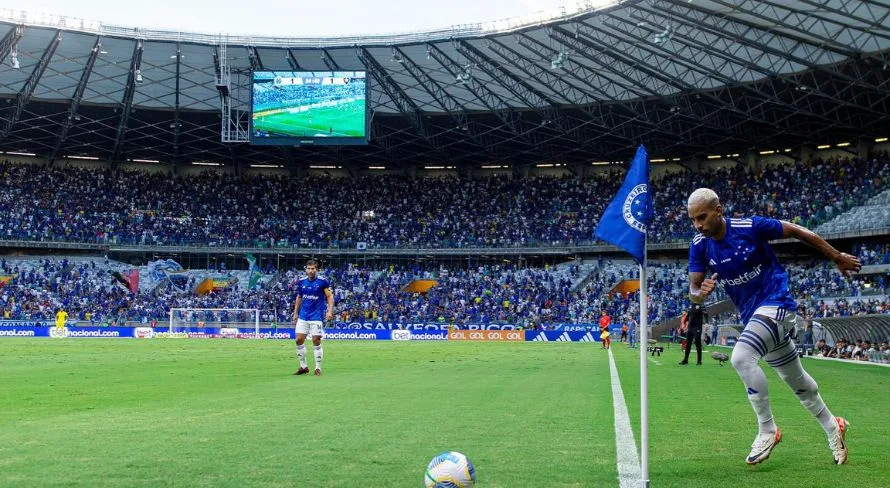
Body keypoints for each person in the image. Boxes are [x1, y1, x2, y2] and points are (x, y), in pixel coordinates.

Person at [687, 188, 859, 465]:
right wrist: (700, 292)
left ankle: (767, 429)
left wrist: (836, 255)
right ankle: (833, 427)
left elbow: (798, 231)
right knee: (798, 382)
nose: (698, 224)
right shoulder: (699, 244)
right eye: (693, 220)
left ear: (718, 210)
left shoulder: (750, 227)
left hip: (777, 304)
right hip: (753, 315)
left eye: (702, 217)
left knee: (741, 358)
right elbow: (693, 288)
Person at [292, 259, 334, 376]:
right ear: (306, 269)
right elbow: (299, 297)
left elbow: (329, 297)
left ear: (317, 269)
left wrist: (329, 311)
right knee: (298, 340)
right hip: (303, 316)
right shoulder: (301, 282)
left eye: (313, 269)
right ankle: (304, 367)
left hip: (316, 316)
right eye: (309, 268)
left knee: (316, 340)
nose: (310, 271)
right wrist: (295, 313)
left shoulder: (323, 282)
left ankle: (318, 368)